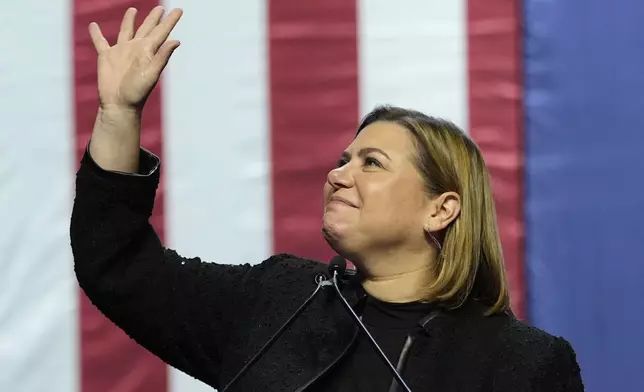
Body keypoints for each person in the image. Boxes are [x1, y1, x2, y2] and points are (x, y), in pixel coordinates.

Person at [70, 6, 584, 392]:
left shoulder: (523, 364)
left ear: (441, 208)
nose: (339, 175)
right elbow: (117, 265)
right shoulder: (278, 299)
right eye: (343, 160)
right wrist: (118, 114)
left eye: (372, 163)